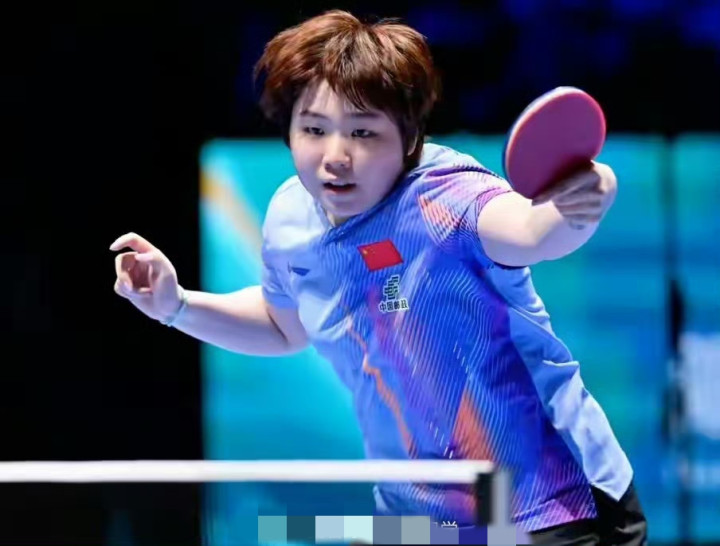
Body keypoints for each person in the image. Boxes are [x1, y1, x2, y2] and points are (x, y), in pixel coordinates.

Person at [110, 10, 647, 545]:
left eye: (363, 132)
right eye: (313, 129)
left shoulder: (444, 197)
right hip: (419, 517)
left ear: (409, 138)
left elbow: (531, 232)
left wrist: (586, 196)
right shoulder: (291, 218)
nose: (335, 157)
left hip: (546, 503)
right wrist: (176, 305)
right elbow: (282, 326)